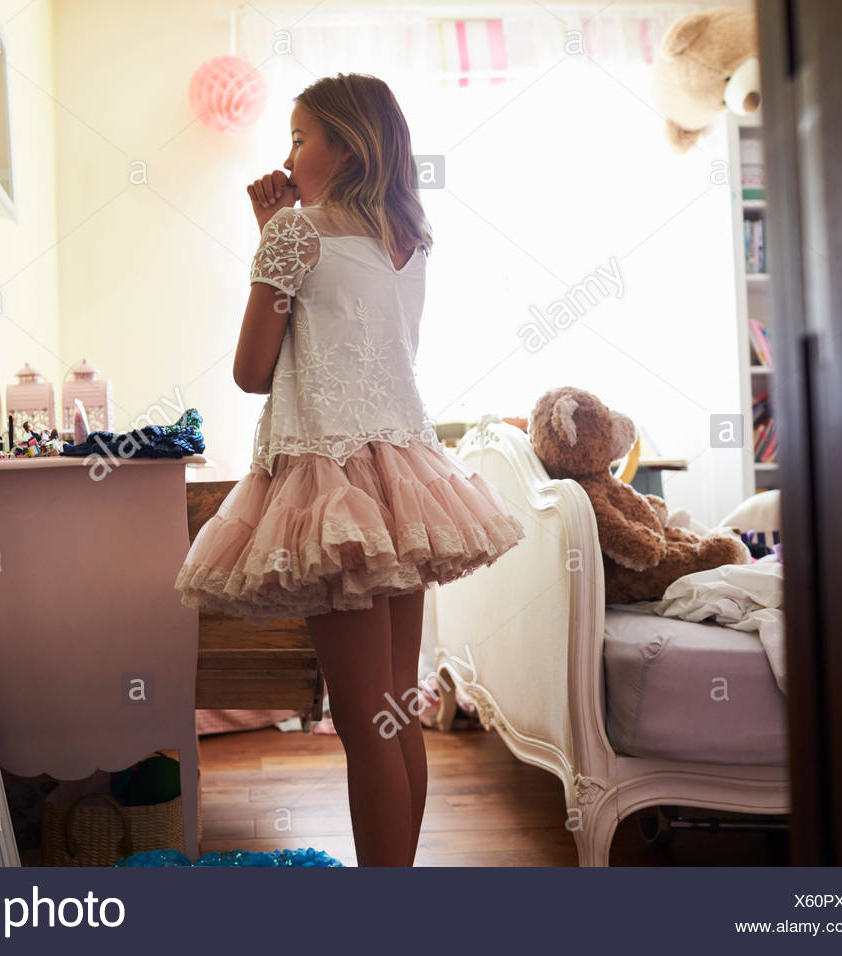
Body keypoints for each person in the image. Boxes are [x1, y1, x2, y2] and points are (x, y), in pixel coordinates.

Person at [173, 73, 526, 867]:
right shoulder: (408, 236)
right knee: (397, 710)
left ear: (347, 144)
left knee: (365, 723)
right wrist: (279, 233)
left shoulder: (295, 235)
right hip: (405, 476)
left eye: (300, 137)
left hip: (332, 481)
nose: (288, 153)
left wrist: (273, 237)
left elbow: (252, 371)